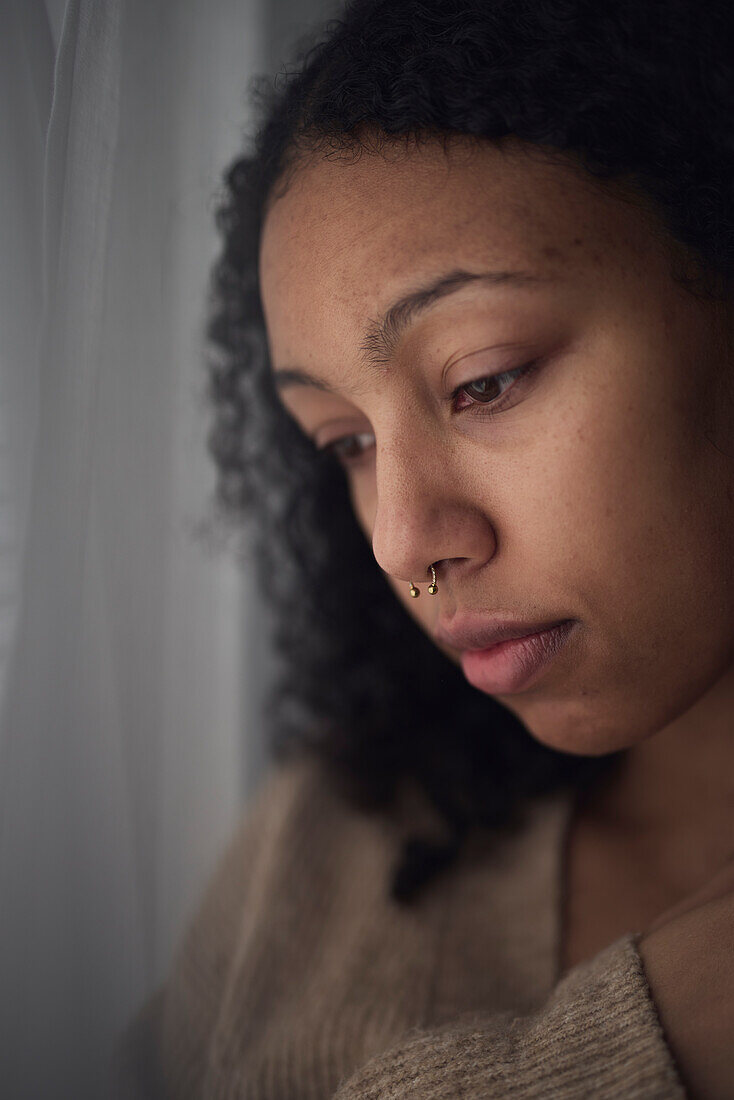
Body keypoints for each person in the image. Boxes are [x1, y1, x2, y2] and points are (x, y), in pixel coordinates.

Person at [114, 0, 734, 1095]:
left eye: (482, 379)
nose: (404, 541)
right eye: (343, 441)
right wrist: (653, 1037)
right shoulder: (319, 851)